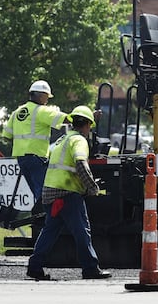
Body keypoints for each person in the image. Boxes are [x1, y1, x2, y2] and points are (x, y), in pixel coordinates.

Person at [26, 106, 111, 280]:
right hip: (67, 193)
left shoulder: (62, 140)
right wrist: (92, 187)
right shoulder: (79, 141)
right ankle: (90, 269)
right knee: (82, 230)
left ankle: (34, 267)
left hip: (49, 193)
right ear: (87, 124)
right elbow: (81, 164)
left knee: (50, 231)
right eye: (89, 126)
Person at [4, 80, 67, 204]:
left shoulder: (17, 112)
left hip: (22, 159)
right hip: (37, 157)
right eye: (47, 96)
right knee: (43, 193)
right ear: (41, 95)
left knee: (37, 192)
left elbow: (6, 136)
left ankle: (40, 218)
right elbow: (66, 119)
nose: (47, 100)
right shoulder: (41, 111)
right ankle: (45, 220)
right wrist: (88, 117)